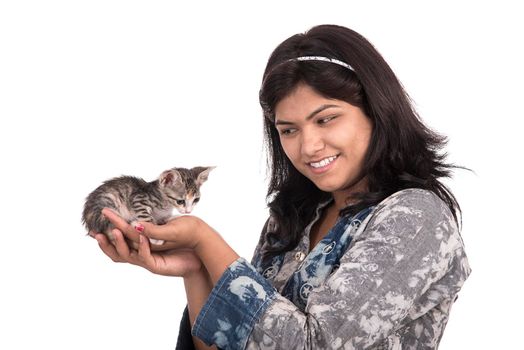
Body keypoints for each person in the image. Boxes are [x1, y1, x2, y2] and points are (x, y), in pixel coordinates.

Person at [94, 24, 471, 349]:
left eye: (325, 119)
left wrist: (205, 240)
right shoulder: (295, 217)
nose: (308, 147)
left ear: (377, 110)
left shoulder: (417, 218)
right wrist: (196, 267)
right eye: (288, 130)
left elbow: (315, 343)